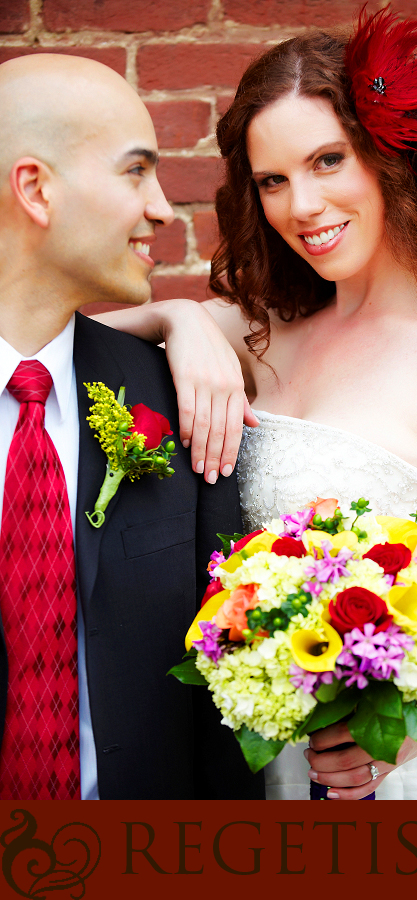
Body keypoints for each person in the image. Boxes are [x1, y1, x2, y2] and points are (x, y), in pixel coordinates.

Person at [104, 7, 417, 800]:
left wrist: (406, 731)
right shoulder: (270, 332)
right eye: (273, 179)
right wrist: (180, 318)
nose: (301, 205)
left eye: (327, 160)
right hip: (269, 783)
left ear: (391, 159)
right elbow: (60, 339)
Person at [0, 52, 264, 800]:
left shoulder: (181, 403)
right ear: (36, 189)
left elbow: (217, 711)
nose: (161, 210)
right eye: (134, 172)